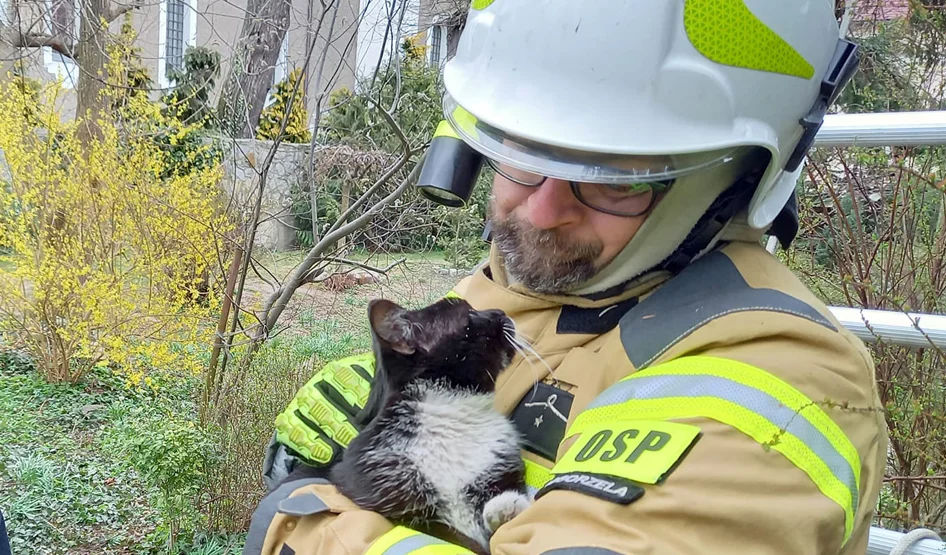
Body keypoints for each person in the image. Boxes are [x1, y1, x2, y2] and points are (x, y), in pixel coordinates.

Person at [246, 0, 889, 553]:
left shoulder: (775, 378)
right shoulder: (534, 285)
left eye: (617, 176)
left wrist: (302, 512)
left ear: (731, 182)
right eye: (520, 154)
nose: (542, 209)